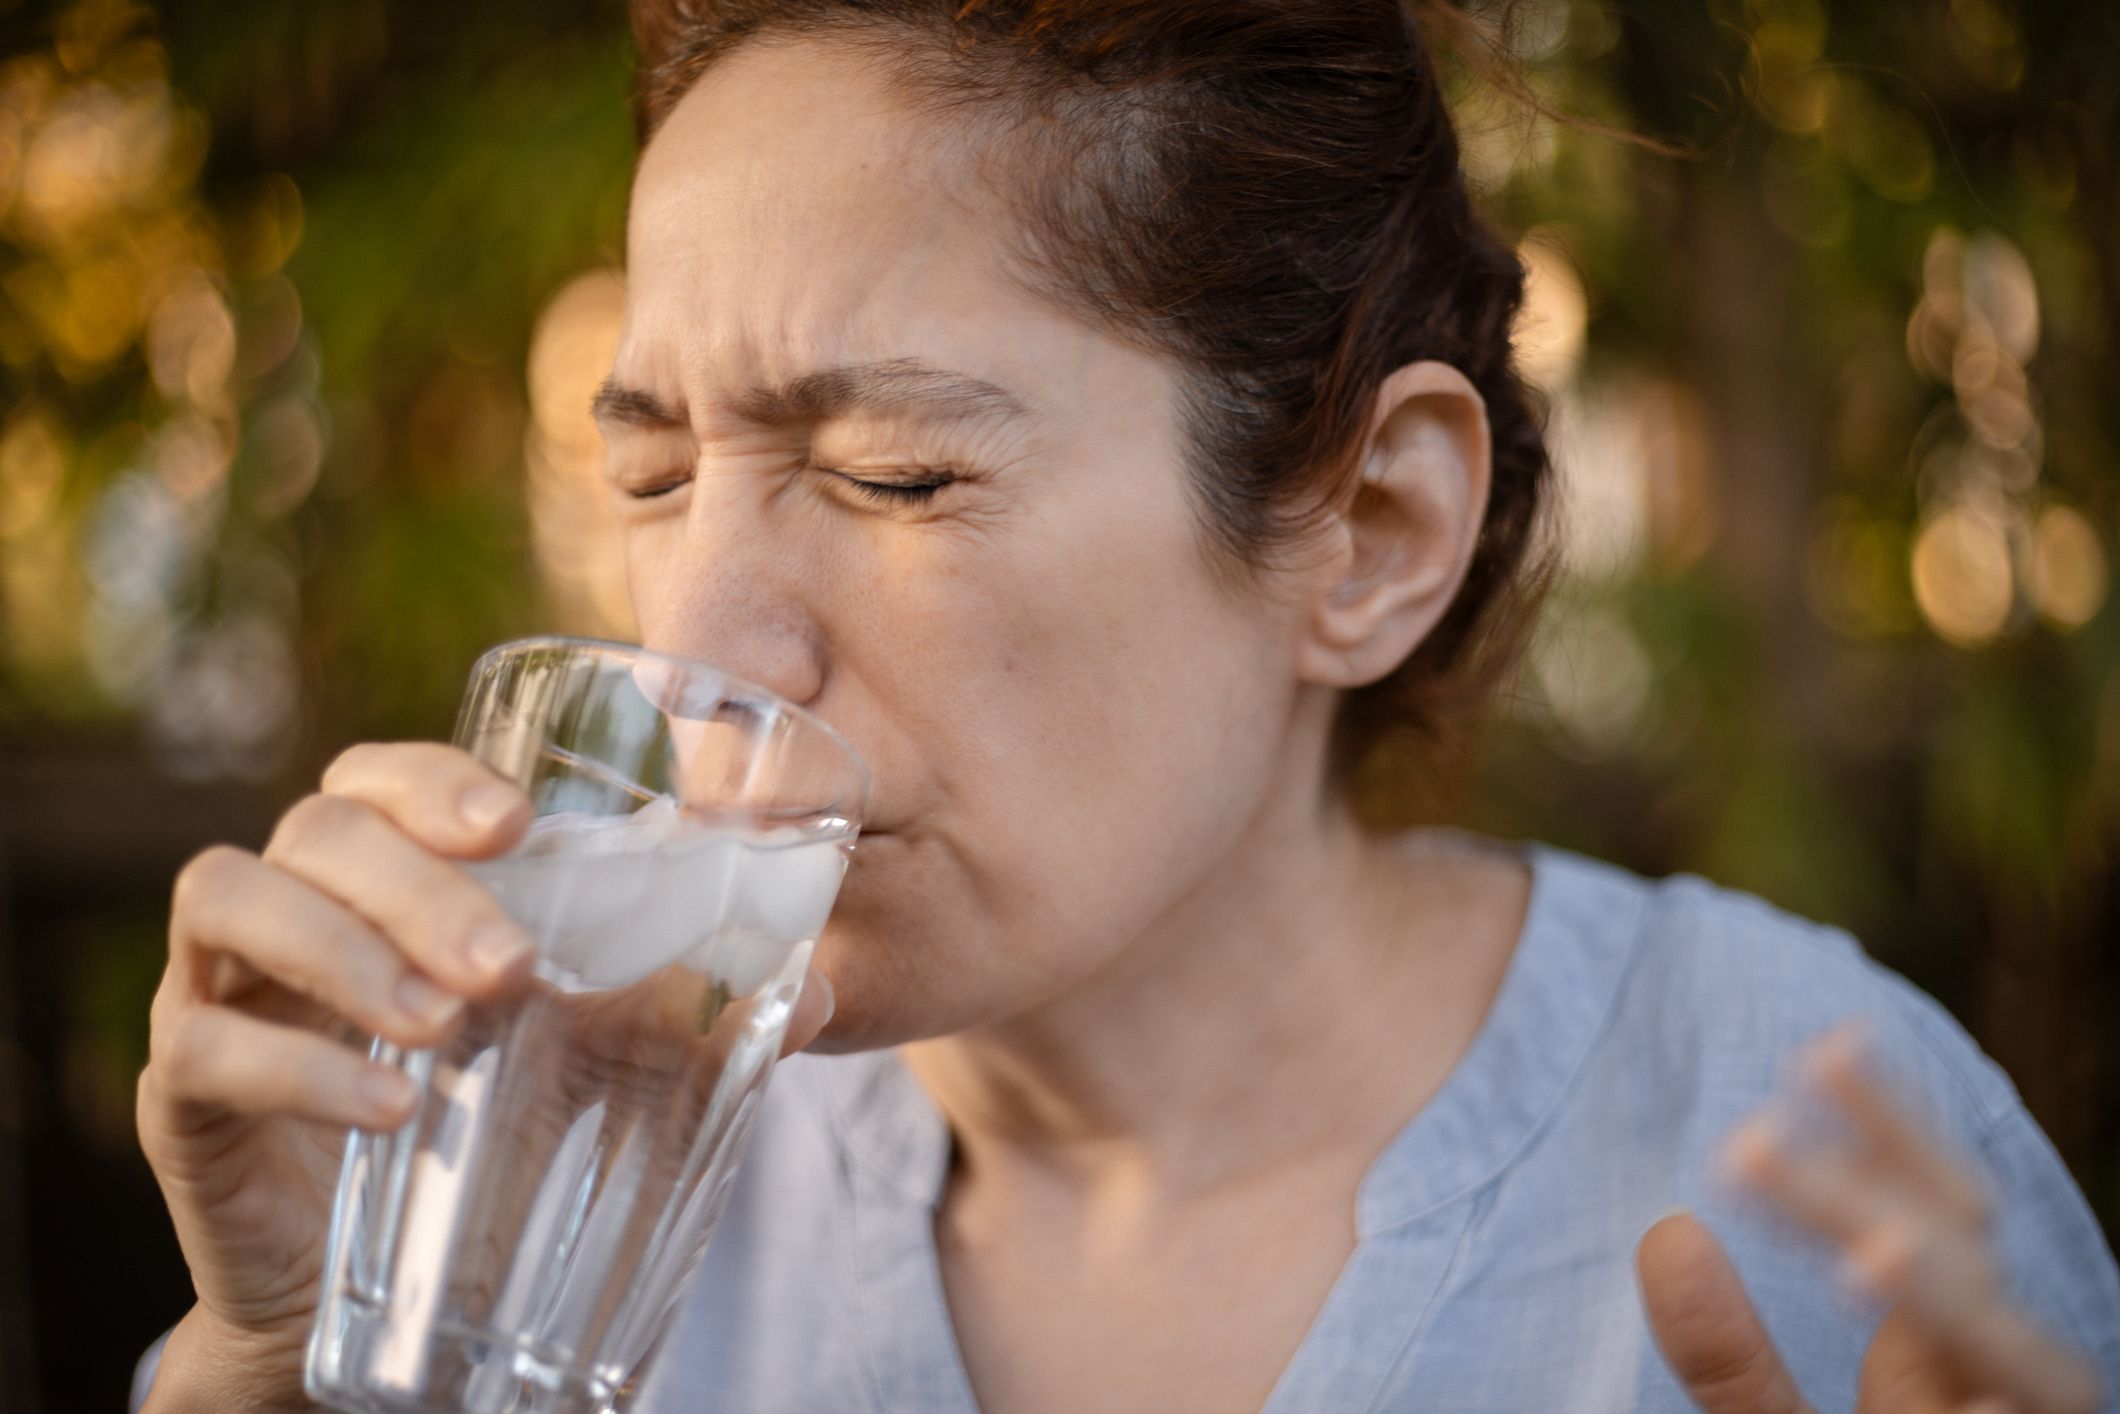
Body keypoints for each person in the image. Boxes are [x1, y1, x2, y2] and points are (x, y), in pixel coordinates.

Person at [133, 2, 2119, 1410]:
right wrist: (271, 1383)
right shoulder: (517, 1177)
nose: (708, 642)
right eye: (652, 477)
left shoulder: (1816, 1148)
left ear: (1368, 525)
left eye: (898, 472)